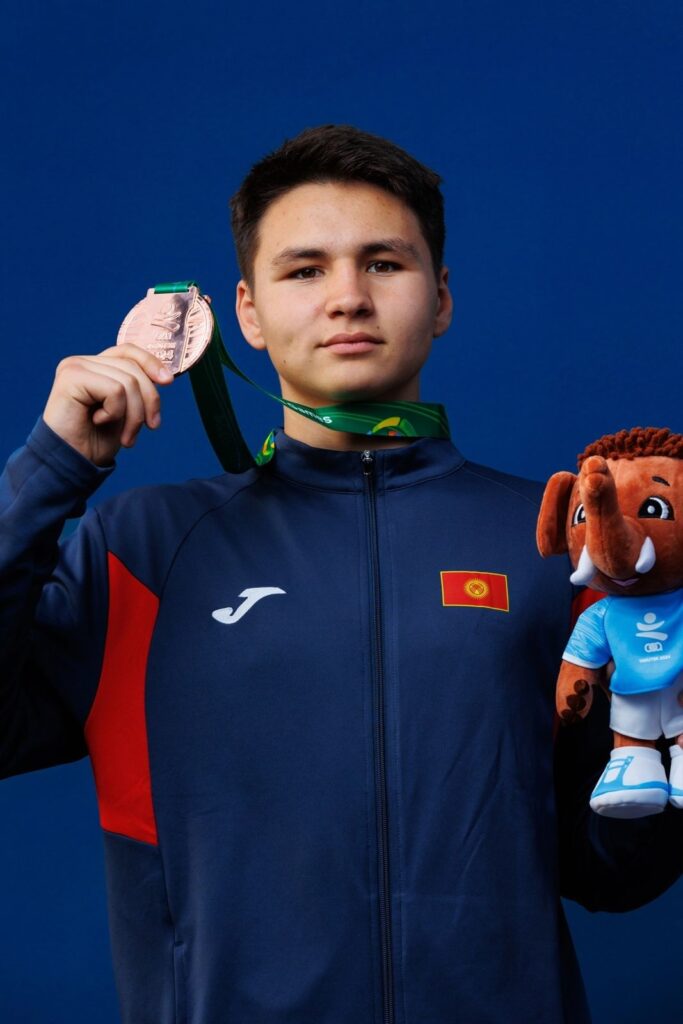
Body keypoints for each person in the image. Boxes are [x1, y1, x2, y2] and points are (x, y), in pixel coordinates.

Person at [1, 124, 682, 1024]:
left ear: (440, 297)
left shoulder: (558, 547)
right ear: (246, 313)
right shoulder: (143, 550)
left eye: (384, 264)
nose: (348, 298)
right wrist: (49, 470)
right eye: (304, 270)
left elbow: (613, 870)